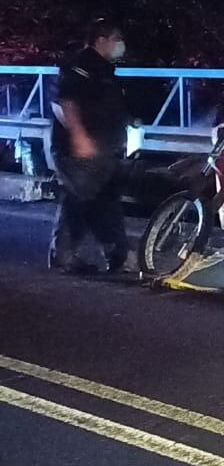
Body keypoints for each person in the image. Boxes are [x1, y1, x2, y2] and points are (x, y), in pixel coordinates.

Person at [48, 19, 131, 275]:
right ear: (101, 40)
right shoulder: (80, 65)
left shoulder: (105, 69)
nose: (121, 44)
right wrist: (79, 137)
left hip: (104, 148)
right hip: (81, 150)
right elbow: (65, 102)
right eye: (117, 39)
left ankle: (116, 255)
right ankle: (67, 255)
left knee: (100, 200)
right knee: (83, 201)